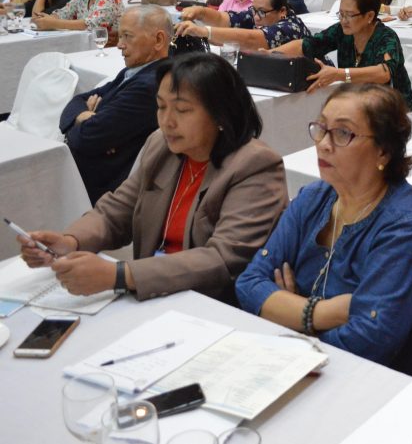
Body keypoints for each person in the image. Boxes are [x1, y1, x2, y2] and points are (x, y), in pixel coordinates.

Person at [19, 52, 289, 302]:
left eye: (182, 110)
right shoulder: (162, 146)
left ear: (221, 113)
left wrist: (120, 275)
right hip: (154, 294)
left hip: (211, 305)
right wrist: (70, 241)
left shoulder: (254, 165)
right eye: (161, 107)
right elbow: (116, 211)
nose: (167, 121)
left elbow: (222, 259)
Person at [235, 84, 412, 376]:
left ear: (383, 151)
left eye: (343, 133)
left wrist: (286, 313)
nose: (323, 143)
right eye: (321, 128)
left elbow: (370, 341)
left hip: (387, 383)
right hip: (302, 366)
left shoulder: (405, 228)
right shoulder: (314, 198)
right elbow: (248, 284)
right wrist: (320, 313)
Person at [58, 6, 172, 203]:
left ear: (159, 40)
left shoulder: (149, 85)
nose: (119, 45)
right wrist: (84, 116)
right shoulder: (137, 70)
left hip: (98, 187)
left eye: (128, 36)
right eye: (120, 36)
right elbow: (78, 100)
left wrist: (87, 121)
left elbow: (86, 138)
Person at [277, 0, 412, 108]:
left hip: (390, 109)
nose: (343, 21)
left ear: (369, 16)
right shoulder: (342, 31)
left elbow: (383, 73)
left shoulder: (386, 37)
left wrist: (339, 74)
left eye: (349, 15)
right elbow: (307, 45)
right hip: (354, 103)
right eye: (341, 14)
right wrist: (272, 54)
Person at [177, 0, 311, 50]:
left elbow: (250, 39)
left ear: (282, 11)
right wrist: (200, 11)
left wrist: (204, 31)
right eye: (254, 10)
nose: (256, 17)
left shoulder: (291, 27)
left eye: (262, 12)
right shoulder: (257, 14)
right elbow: (224, 19)